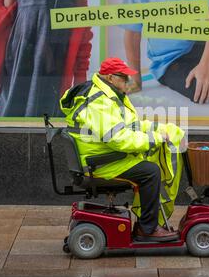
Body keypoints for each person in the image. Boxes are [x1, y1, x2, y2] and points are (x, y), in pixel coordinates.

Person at [60, 57, 184, 242]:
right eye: (124, 78)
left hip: (101, 155)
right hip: (99, 162)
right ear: (111, 78)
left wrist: (160, 129)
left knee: (148, 165)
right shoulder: (99, 102)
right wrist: (154, 139)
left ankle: (148, 223)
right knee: (151, 172)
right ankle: (147, 230)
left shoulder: (110, 95)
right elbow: (119, 139)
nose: (128, 82)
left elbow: (130, 126)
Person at [0, 0, 93, 117]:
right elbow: (4, 17)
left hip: (55, 54)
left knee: (50, 112)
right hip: (20, 51)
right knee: (13, 111)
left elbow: (80, 23)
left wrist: (80, 74)